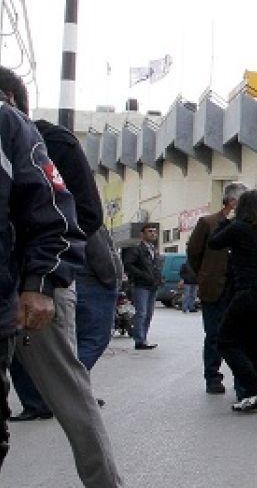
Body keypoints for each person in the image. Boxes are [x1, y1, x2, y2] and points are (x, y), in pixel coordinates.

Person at [0, 70, 123, 486]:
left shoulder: (47, 139)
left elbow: (81, 214)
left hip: (38, 285)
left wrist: (39, 279)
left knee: (71, 396)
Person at [207, 187, 257, 413]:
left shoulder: (239, 228)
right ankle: (256, 399)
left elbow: (214, 242)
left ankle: (255, 385)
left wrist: (228, 220)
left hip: (251, 290)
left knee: (225, 340)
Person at [188, 181, 248, 394]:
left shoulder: (246, 224)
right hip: (215, 288)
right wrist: (206, 274)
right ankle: (212, 376)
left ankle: (241, 378)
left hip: (240, 288)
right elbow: (194, 254)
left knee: (240, 336)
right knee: (214, 334)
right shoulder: (208, 223)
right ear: (231, 202)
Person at [121, 224, 164, 350]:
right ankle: (139, 340)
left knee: (149, 313)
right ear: (142, 234)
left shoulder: (154, 250)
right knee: (142, 313)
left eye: (154, 232)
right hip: (141, 285)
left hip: (153, 286)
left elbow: (156, 267)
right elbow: (128, 265)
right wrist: (143, 275)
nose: (152, 234)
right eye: (149, 231)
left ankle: (143, 338)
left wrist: (159, 278)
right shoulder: (136, 249)